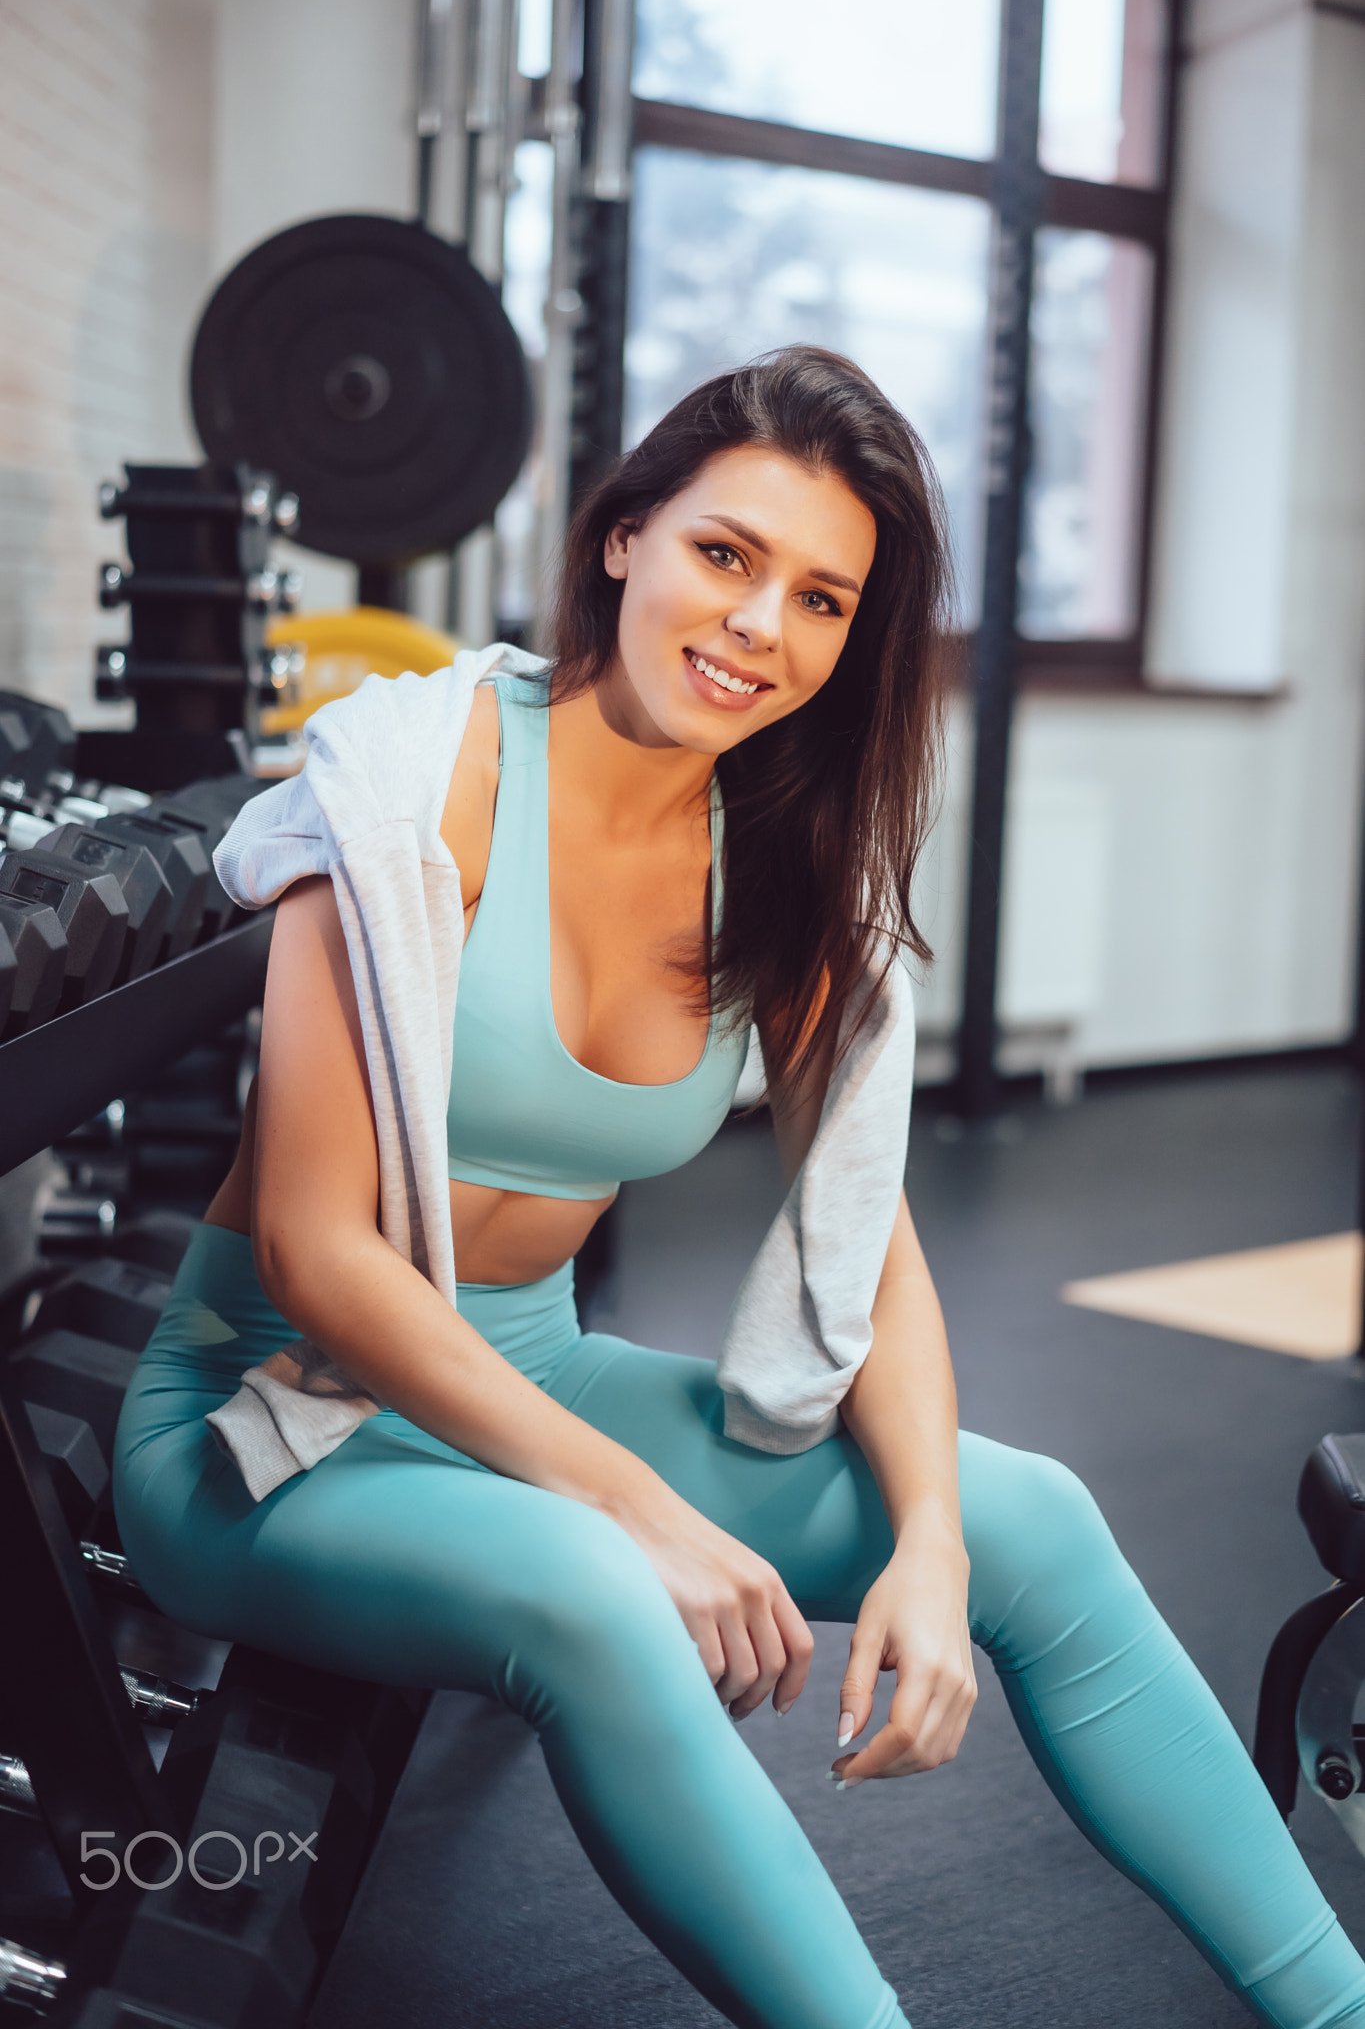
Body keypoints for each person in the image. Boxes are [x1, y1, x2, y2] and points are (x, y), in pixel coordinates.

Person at [113, 347, 1365, 2029]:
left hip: (531, 1372)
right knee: (592, 1595)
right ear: (624, 538)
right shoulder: (421, 776)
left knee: (1032, 1525)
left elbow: (870, 1232)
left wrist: (929, 1543)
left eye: (822, 598)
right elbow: (318, 1253)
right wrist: (640, 1513)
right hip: (265, 1421)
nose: (759, 626)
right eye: (725, 554)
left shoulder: (777, 857)